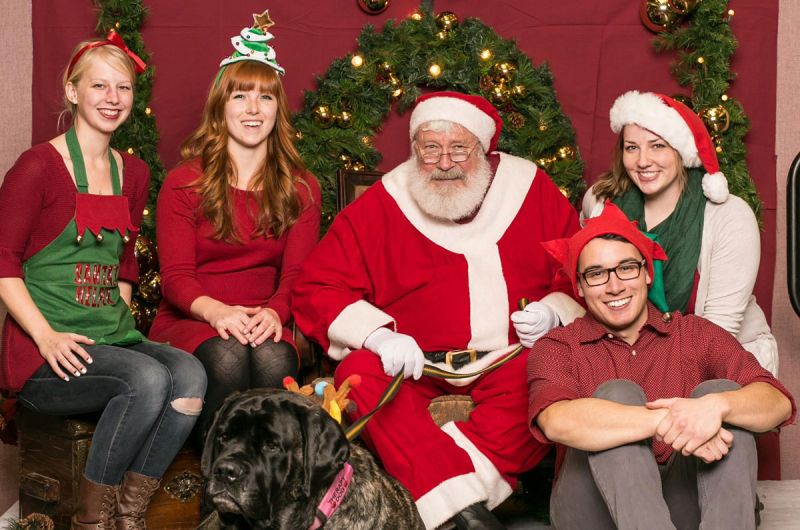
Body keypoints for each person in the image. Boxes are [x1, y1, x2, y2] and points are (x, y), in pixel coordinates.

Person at [292, 91, 582, 530]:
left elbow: (581, 266)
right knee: (358, 373)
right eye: (430, 148)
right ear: (415, 150)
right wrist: (378, 335)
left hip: (507, 358)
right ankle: (471, 514)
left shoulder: (529, 188)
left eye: (459, 148)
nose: (444, 161)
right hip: (416, 366)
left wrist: (553, 310)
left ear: (482, 148)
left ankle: (449, 507)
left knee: (547, 375)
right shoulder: (384, 201)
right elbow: (318, 285)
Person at [0, 31, 207, 529]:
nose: (113, 100)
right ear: (73, 92)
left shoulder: (132, 173)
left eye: (124, 88)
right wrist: (46, 336)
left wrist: (114, 322)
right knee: (147, 379)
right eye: (99, 87)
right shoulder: (37, 167)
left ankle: (127, 516)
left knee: (191, 374)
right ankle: (93, 523)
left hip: (109, 340)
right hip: (46, 355)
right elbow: (3, 262)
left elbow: (125, 264)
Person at [527, 202, 795, 529]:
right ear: (579, 286)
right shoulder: (558, 346)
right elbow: (556, 421)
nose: (614, 286)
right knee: (616, 396)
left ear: (647, 273)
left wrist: (716, 407)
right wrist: (676, 419)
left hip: (683, 504)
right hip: (592, 512)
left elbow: (777, 403)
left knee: (723, 394)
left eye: (627, 267)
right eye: (597, 274)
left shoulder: (694, 333)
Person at [148, 13, 320, 448]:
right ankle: (218, 483)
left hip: (265, 317)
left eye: (264, 98)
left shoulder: (301, 186)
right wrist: (219, 312)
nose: (252, 109)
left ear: (277, 109)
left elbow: (298, 276)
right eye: (240, 96)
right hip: (196, 317)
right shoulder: (184, 182)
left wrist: (274, 312)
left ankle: (267, 488)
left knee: (274, 357)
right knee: (226, 358)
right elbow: (176, 280)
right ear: (221, 107)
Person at [582, 90, 778, 375]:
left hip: (723, 362)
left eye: (657, 146)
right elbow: (590, 291)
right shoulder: (600, 203)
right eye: (632, 147)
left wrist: (652, 380)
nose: (643, 161)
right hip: (626, 360)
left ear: (681, 151)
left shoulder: (729, 216)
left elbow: (718, 331)